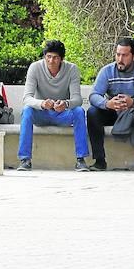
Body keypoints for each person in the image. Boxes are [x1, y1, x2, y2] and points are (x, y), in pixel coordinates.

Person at [17, 40, 89, 171]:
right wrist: (42, 103)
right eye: (48, 57)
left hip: (62, 114)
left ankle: (81, 159)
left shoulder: (72, 69)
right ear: (44, 56)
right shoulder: (35, 67)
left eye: (55, 58)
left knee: (79, 111)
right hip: (42, 113)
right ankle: (25, 159)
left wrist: (66, 104)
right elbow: (26, 98)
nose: (51, 61)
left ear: (61, 59)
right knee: (27, 110)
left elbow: (77, 99)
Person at [86, 37, 134, 172]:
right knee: (93, 112)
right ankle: (99, 161)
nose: (120, 59)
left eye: (125, 55)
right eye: (118, 54)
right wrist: (107, 103)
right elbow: (94, 95)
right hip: (114, 110)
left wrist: (133, 102)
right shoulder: (107, 71)